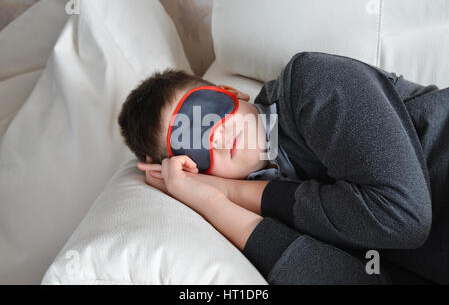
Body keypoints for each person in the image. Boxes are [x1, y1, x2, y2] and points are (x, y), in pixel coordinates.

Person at [118, 52, 449, 284]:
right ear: (193, 171)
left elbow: (404, 218)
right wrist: (213, 204)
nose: (216, 136)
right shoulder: (263, 218)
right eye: (192, 143)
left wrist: (232, 191)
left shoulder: (310, 82)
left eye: (206, 113)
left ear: (231, 92)